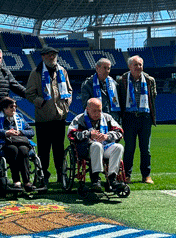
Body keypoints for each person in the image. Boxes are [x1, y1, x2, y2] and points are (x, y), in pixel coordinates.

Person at [25, 46, 72, 185]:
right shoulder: (36, 73)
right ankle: (43, 175)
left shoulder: (62, 71)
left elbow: (69, 89)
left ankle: (60, 174)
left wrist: (67, 103)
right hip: (43, 118)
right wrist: (40, 102)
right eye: (49, 55)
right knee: (43, 150)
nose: (52, 57)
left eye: (54, 55)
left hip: (59, 117)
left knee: (59, 149)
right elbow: (29, 93)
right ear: (43, 57)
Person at [67, 98, 126, 193]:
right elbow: (71, 134)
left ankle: (112, 179)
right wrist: (89, 134)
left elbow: (120, 131)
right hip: (86, 149)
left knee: (119, 147)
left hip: (105, 147)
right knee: (96, 145)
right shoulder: (79, 119)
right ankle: (95, 179)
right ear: (87, 109)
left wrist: (107, 136)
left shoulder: (107, 118)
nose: (97, 113)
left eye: (99, 110)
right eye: (94, 111)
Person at [117, 55, 157, 184]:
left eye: (140, 64)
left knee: (146, 149)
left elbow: (153, 96)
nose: (138, 67)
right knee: (129, 148)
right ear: (129, 66)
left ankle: (146, 175)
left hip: (145, 118)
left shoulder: (150, 80)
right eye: (136, 65)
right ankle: (126, 175)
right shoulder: (121, 80)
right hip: (129, 118)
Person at [0, 97, 36, 192]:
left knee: (24, 150)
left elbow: (31, 131)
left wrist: (21, 132)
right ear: (4, 108)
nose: (14, 109)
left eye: (15, 106)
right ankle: (16, 181)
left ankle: (26, 182)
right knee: (13, 150)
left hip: (20, 141)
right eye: (11, 107)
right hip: (4, 144)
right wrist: (5, 133)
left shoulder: (19, 117)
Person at [81, 57, 121, 122]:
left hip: (113, 119)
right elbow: (86, 105)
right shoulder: (88, 84)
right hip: (96, 120)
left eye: (109, 68)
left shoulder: (114, 83)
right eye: (104, 68)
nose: (107, 71)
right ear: (97, 68)